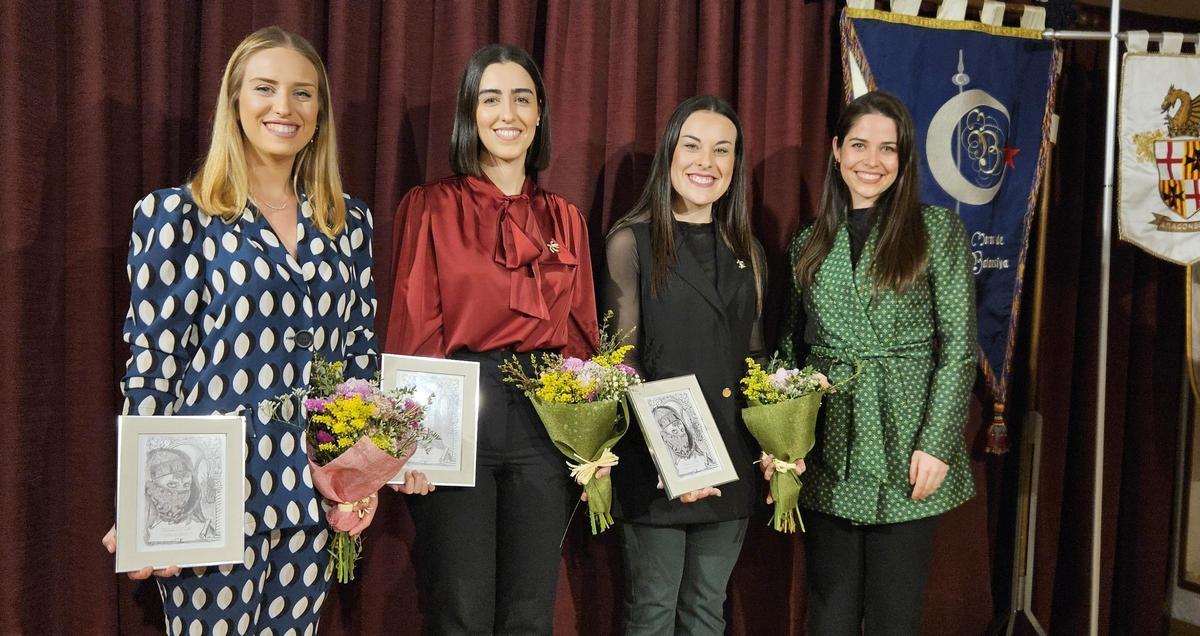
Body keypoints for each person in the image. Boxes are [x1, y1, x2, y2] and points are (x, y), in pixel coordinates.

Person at [100, 26, 380, 635]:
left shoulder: (349, 221)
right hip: (208, 496)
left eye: (303, 94)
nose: (285, 107)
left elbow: (358, 357)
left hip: (312, 491)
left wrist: (360, 474)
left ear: (320, 113)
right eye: (266, 88)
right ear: (234, 101)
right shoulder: (175, 215)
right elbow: (154, 363)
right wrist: (146, 505)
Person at [384, 43, 599, 635]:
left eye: (522, 99)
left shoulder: (567, 219)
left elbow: (581, 337)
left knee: (532, 610)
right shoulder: (429, 206)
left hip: (542, 416)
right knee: (460, 607)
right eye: (491, 98)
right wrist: (408, 444)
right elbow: (412, 329)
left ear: (539, 116)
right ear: (470, 114)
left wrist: (590, 436)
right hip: (456, 410)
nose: (508, 113)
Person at [774, 90, 977, 635]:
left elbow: (958, 347)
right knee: (830, 612)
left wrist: (936, 442)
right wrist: (784, 440)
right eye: (859, 145)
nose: (872, 161)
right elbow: (790, 348)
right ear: (837, 151)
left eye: (887, 149)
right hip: (830, 445)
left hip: (906, 440)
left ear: (905, 158)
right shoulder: (808, 243)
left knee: (894, 615)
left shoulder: (937, 231)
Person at [602, 95, 767, 636]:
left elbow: (756, 359)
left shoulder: (748, 250)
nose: (707, 162)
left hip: (731, 466)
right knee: (652, 610)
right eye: (692, 145)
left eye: (723, 151)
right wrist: (680, 461)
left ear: (734, 166)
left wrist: (778, 444)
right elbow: (621, 369)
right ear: (670, 155)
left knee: (706, 610)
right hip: (655, 465)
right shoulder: (632, 242)